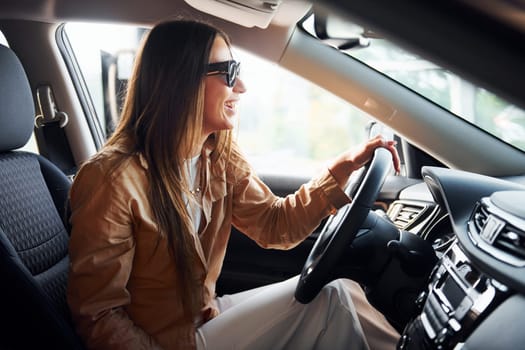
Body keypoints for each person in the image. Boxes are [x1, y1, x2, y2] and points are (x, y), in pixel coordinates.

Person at [66, 19, 401, 350]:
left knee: (343, 289)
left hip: (207, 316)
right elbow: (100, 313)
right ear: (182, 81)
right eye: (228, 72)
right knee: (334, 301)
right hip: (168, 341)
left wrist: (343, 168)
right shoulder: (111, 179)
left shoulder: (218, 155)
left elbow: (275, 226)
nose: (241, 86)